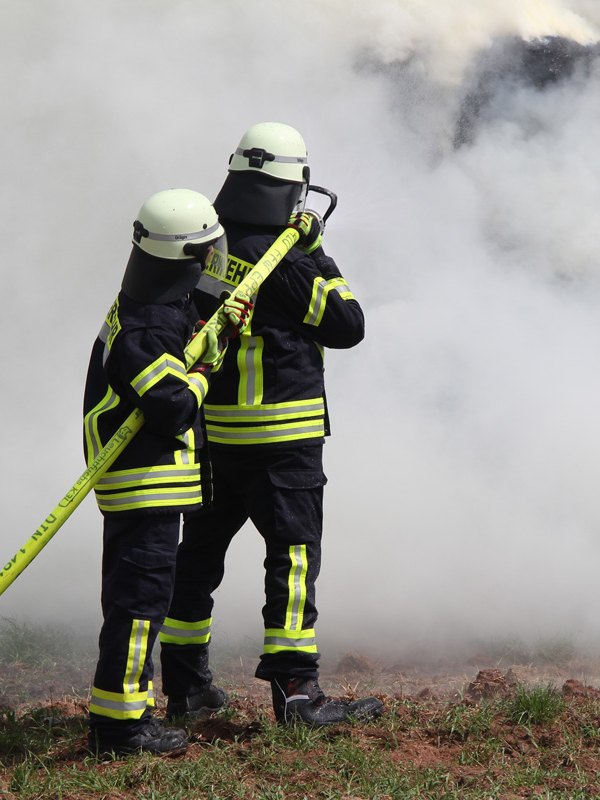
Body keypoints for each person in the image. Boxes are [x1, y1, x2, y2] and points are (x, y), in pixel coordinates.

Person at [159, 123, 383, 726]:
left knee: (197, 557)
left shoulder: (207, 243)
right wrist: (315, 252)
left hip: (215, 434)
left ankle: (184, 686)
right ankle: (297, 692)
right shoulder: (282, 257)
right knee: (292, 559)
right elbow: (348, 324)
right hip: (282, 439)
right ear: (291, 188)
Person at [83, 188, 247, 757]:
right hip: (142, 486)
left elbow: (185, 323)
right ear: (188, 257)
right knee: (139, 607)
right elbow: (172, 405)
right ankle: (120, 728)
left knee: (142, 603)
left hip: (148, 485)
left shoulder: (153, 304)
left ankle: (126, 717)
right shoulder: (146, 326)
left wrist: (217, 325)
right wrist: (206, 367)